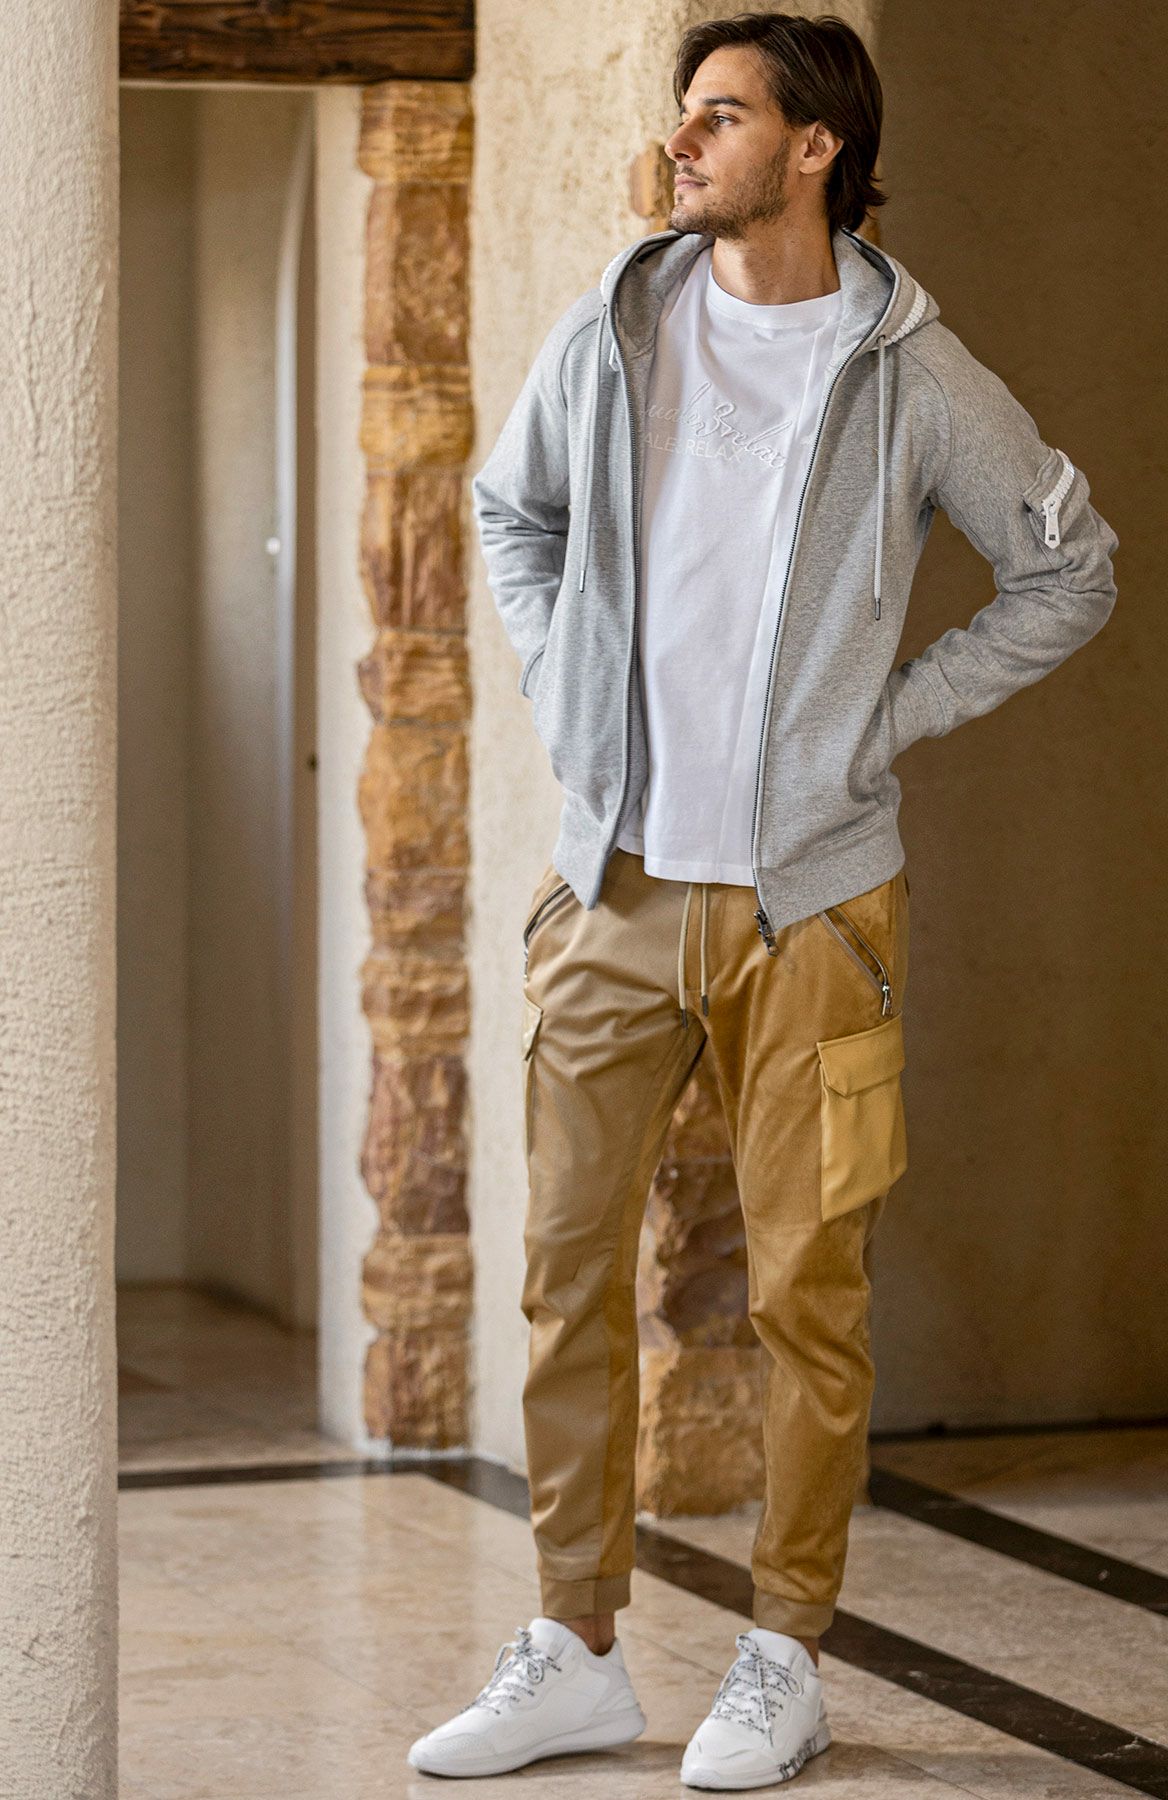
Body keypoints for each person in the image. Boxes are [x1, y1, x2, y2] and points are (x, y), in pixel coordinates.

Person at [408, 10, 1118, 1789]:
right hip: (614, 887)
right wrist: (570, 691)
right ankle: (574, 1647)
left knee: (809, 1293)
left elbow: (1070, 571)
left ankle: (782, 1653)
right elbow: (510, 514)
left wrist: (886, 717)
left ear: (816, 149)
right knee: (565, 1276)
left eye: (721, 115)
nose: (684, 140)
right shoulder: (619, 325)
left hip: (815, 914)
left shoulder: (909, 370)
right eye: (686, 112)